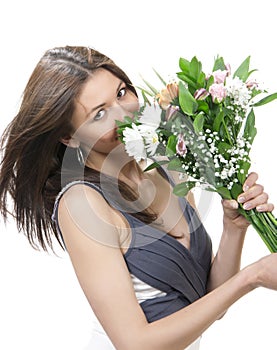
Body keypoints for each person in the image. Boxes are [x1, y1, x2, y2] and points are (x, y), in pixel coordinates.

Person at [0, 45, 276, 350]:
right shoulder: (82, 203)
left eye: (121, 93)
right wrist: (254, 276)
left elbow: (212, 304)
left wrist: (233, 227)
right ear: (69, 136)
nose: (124, 114)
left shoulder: (171, 168)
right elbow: (134, 344)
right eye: (100, 114)